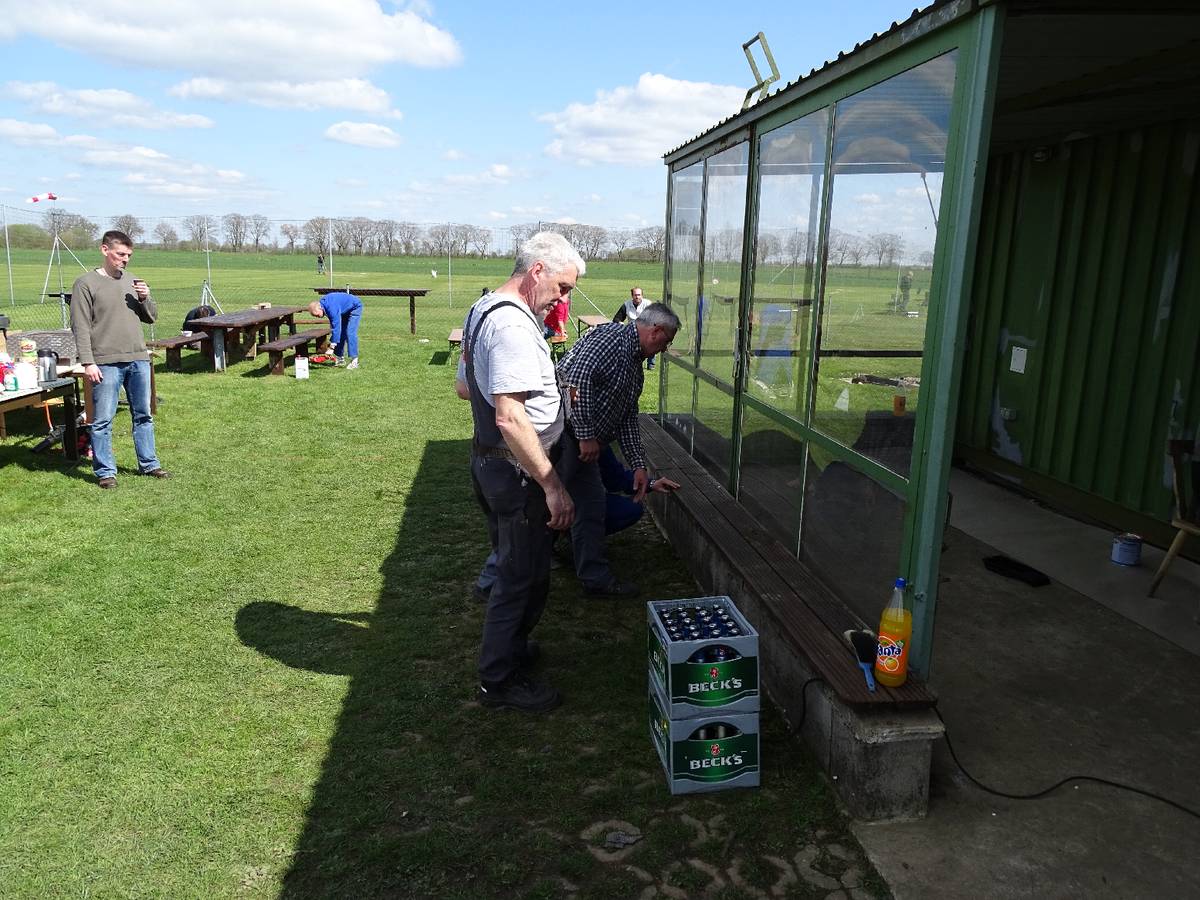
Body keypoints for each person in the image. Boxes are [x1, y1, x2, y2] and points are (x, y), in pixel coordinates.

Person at [455, 231, 583, 713]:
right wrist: (551, 484)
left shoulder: (483, 308)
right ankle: (499, 680)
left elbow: (464, 387)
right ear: (537, 271)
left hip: (492, 462)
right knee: (521, 577)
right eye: (562, 287)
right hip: (518, 472)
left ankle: (510, 650)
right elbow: (510, 417)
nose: (562, 300)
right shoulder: (511, 326)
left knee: (517, 568)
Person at [554, 303, 679, 597]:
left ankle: (590, 575)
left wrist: (638, 465)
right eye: (667, 341)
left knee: (587, 505)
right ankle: (513, 569)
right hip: (565, 438)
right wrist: (585, 435)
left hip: (582, 442)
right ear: (655, 331)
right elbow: (575, 382)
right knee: (568, 504)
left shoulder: (634, 366)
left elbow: (627, 416)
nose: (665, 349)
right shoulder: (611, 338)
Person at [69, 230, 169, 489]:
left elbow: (151, 317)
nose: (125, 259)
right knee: (102, 420)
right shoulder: (85, 283)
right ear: (105, 250)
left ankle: (149, 464)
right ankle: (106, 472)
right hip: (105, 362)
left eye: (129, 255)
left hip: (138, 358)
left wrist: (145, 298)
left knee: (144, 415)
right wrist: (88, 362)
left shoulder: (133, 281)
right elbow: (80, 326)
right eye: (120, 254)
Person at [307, 291, 362, 369]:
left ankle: (354, 361)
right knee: (341, 333)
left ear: (319, 308)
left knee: (350, 333)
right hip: (344, 309)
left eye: (316, 314)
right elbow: (334, 326)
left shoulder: (331, 308)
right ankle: (340, 359)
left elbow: (336, 326)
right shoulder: (324, 305)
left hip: (355, 306)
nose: (317, 317)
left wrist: (332, 347)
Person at [614, 287, 656, 369]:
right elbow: (616, 318)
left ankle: (651, 364)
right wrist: (620, 323)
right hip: (631, 330)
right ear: (632, 296)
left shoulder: (648, 304)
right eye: (635, 295)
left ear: (642, 295)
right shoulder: (626, 305)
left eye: (639, 295)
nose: (637, 297)